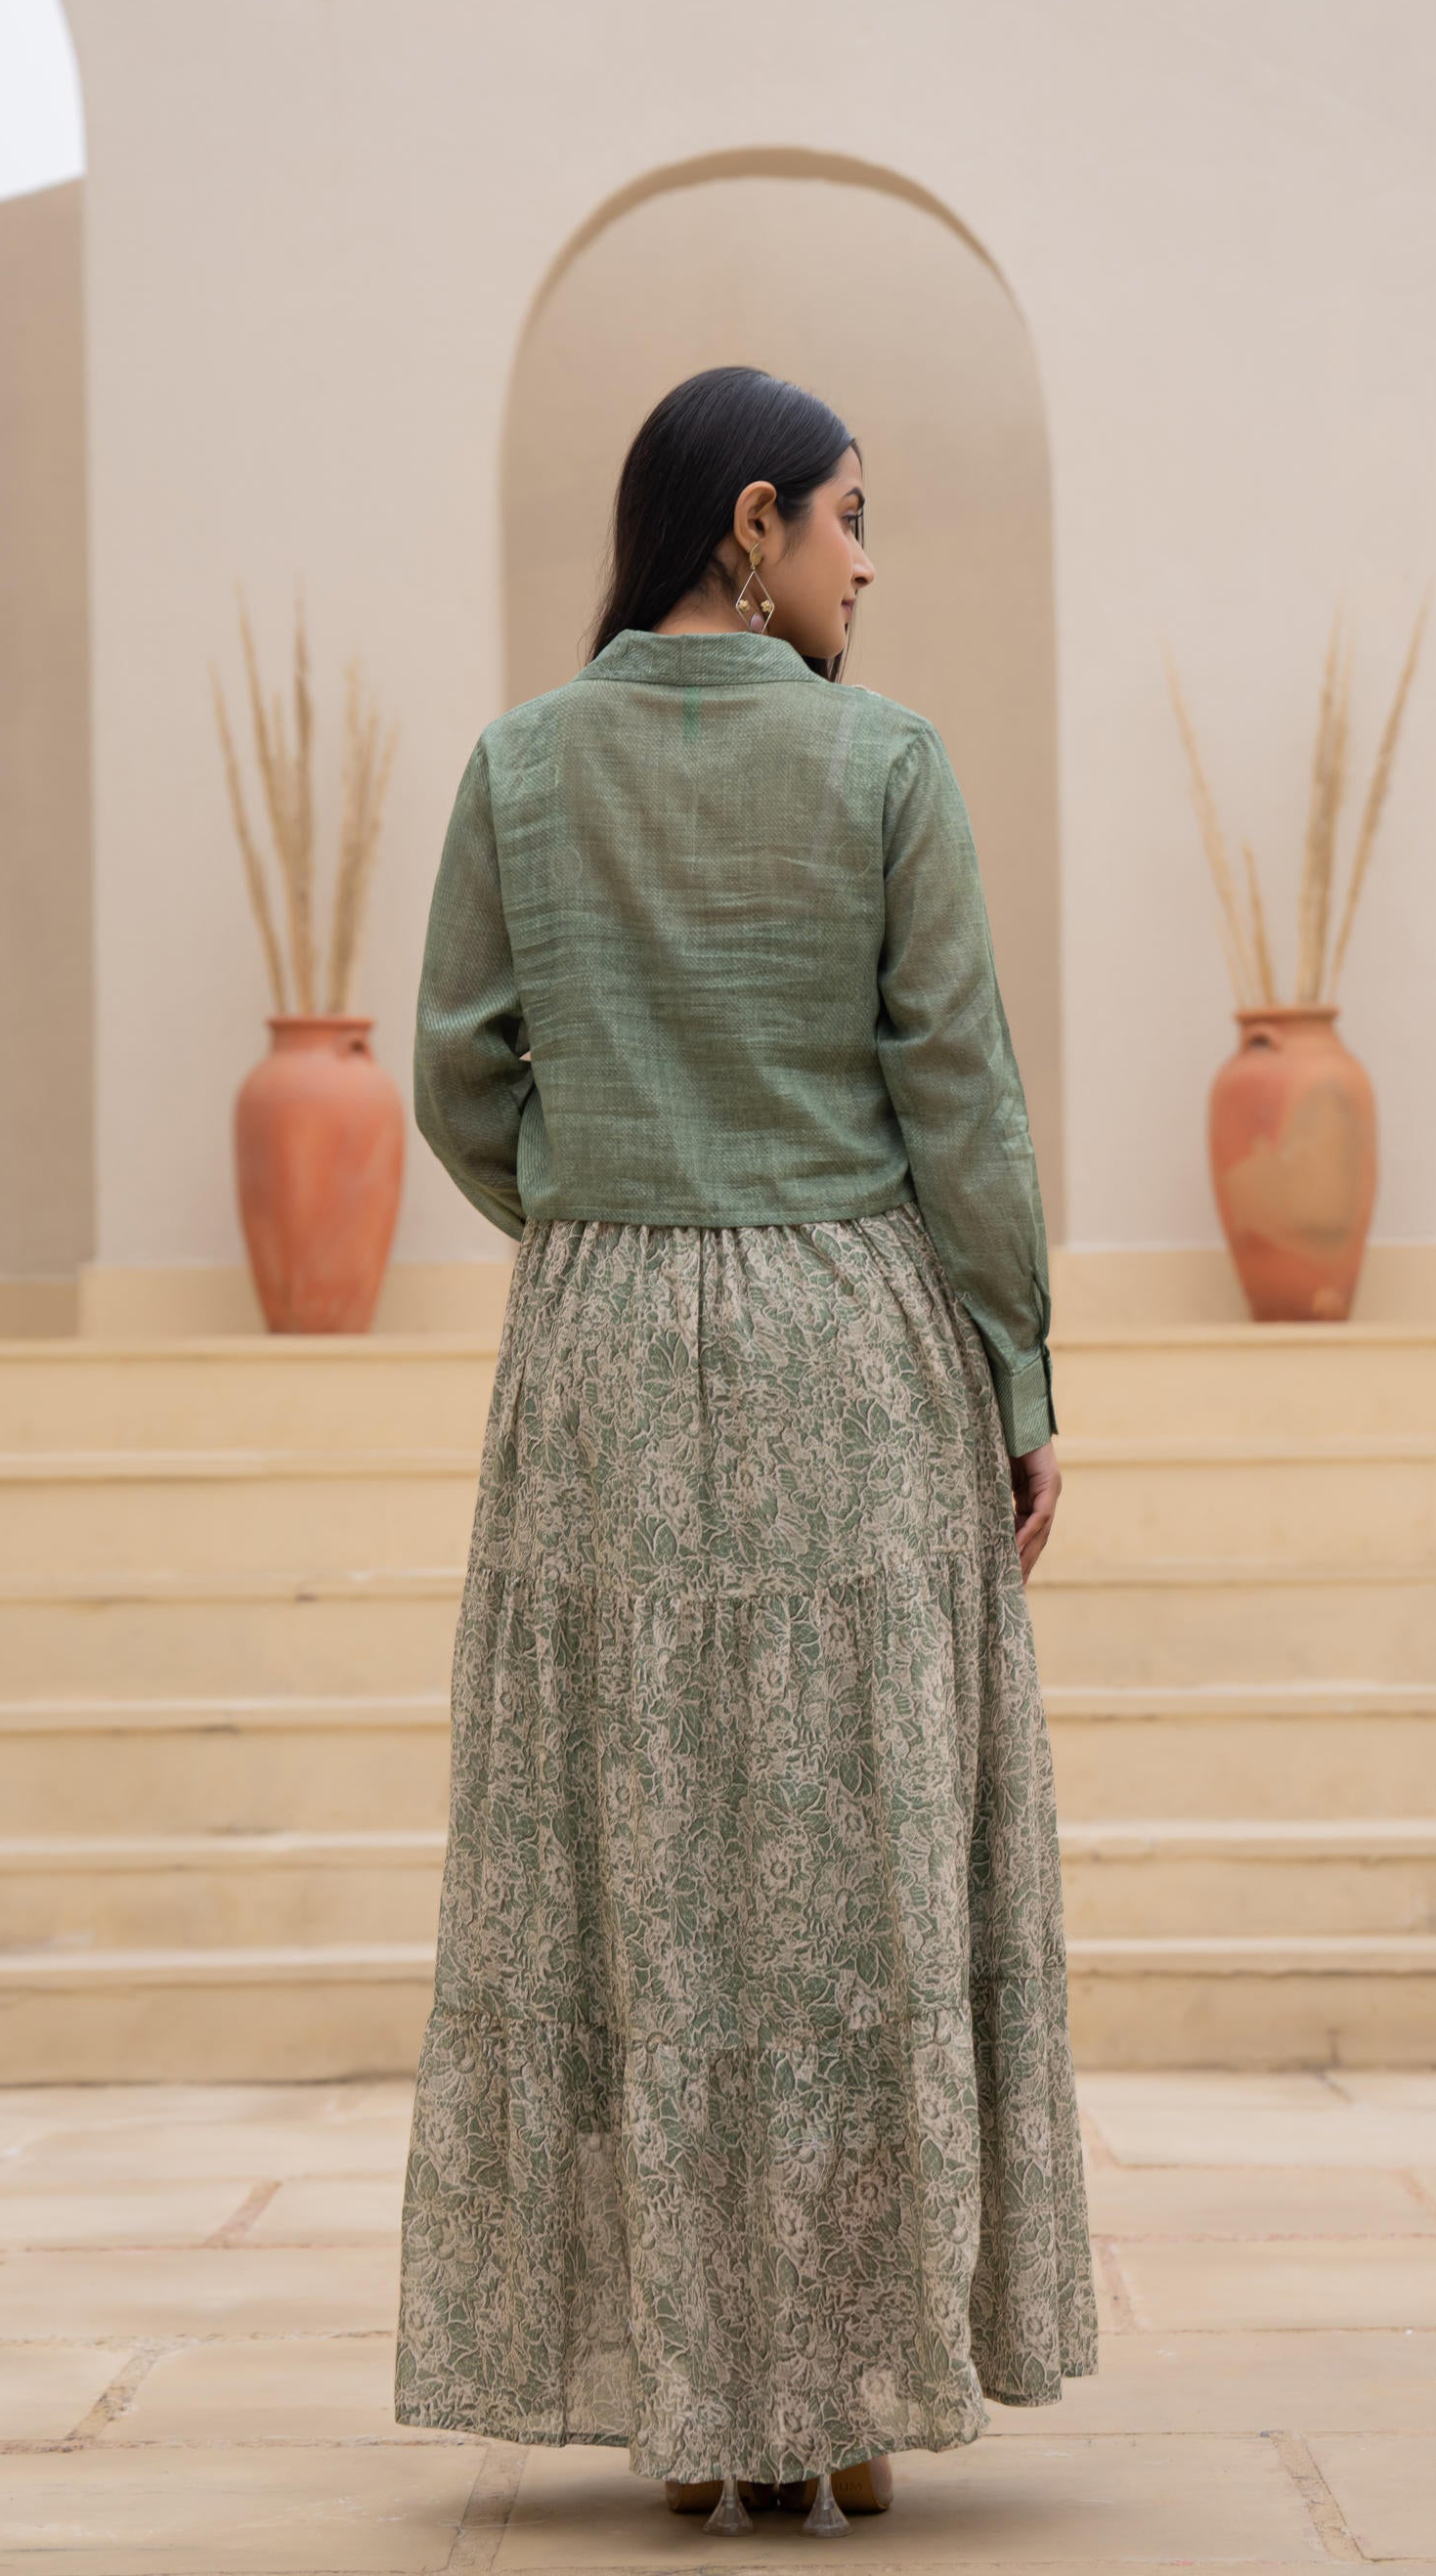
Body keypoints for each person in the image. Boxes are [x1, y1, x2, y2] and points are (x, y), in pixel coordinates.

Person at [395, 366, 1094, 2530]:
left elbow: (454, 1079)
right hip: (850, 1346)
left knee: (643, 1873)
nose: (867, 566)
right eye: (853, 521)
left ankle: (691, 2403)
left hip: (599, 1356)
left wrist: (597, 1207)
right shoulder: (884, 766)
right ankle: (857, 2397)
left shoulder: (520, 768)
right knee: (854, 1876)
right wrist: (1019, 1378)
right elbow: (960, 1108)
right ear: (753, 519)